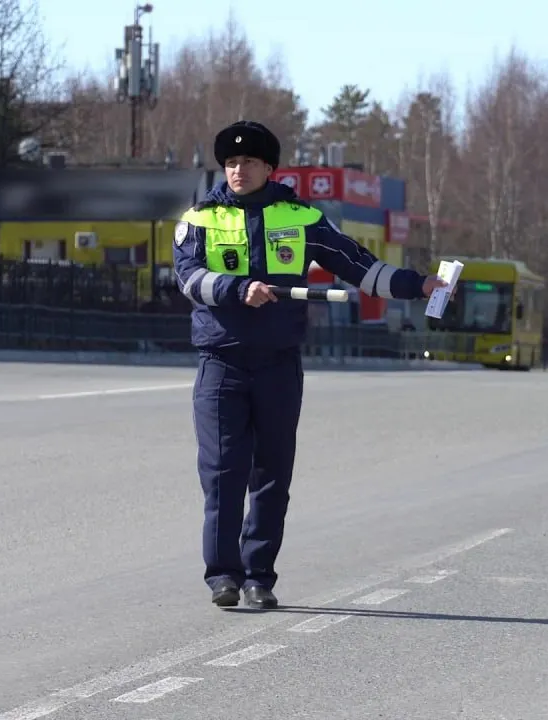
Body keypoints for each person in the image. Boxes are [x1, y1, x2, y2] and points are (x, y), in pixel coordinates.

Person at [172, 120, 454, 610]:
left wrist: (419, 284)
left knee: (272, 473)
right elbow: (188, 277)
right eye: (232, 163)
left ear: (268, 168)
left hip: (279, 364)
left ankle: (259, 576)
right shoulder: (198, 219)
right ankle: (223, 576)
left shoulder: (302, 218)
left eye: (250, 162)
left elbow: (360, 266)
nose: (239, 170)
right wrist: (238, 289)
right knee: (222, 472)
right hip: (222, 362)